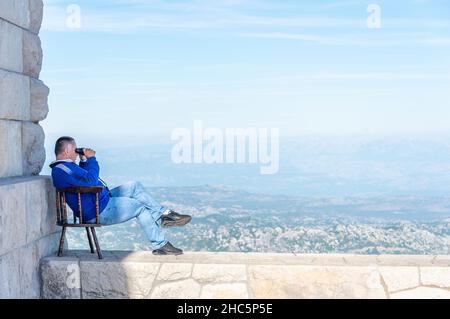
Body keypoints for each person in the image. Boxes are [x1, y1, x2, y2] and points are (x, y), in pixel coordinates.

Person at [49, 136, 190, 255]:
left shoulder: (67, 167)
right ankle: (161, 245)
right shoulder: (61, 170)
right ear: (67, 151)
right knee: (140, 207)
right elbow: (90, 181)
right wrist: (92, 159)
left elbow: (84, 178)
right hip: (98, 210)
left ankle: (163, 215)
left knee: (134, 186)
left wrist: (84, 161)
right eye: (74, 149)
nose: (75, 152)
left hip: (101, 200)